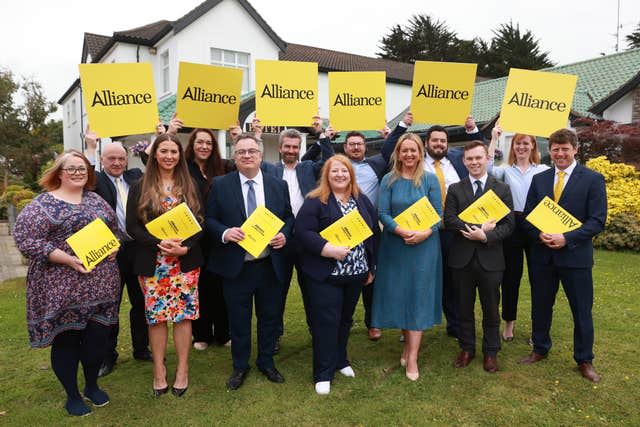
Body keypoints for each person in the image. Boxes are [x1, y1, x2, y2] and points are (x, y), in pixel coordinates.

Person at [13, 150, 120, 416]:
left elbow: (113, 229)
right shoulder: (42, 205)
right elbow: (26, 239)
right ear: (59, 172)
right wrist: (66, 258)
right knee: (68, 342)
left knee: (97, 341)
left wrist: (114, 245)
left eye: (82, 169)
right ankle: (72, 394)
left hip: (102, 286)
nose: (77, 173)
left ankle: (92, 385)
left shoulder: (96, 200)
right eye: (71, 169)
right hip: (62, 289)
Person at [205, 133, 294, 391]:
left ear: (260, 155)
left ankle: (266, 361)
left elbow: (288, 217)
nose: (246, 156)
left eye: (251, 151)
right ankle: (240, 366)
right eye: (241, 151)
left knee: (269, 318)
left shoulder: (278, 185)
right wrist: (225, 232)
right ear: (235, 156)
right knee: (239, 320)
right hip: (237, 267)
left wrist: (284, 235)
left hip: (269, 265)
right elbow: (209, 219)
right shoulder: (220, 184)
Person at [520, 128, 607, 383]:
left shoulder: (592, 179)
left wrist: (566, 238)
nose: (559, 154)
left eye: (565, 149)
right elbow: (527, 216)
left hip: (576, 257)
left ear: (575, 149)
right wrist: (539, 235)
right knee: (541, 305)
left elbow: (597, 221)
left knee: (581, 310)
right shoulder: (540, 179)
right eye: (555, 149)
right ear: (551, 151)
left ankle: (584, 359)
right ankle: (540, 348)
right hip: (543, 256)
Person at [126, 133, 204, 397]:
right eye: (164, 151)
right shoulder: (139, 185)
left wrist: (186, 247)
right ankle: (159, 370)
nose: (169, 156)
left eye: (174, 151)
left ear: (180, 155)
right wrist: (158, 243)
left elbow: (201, 222)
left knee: (183, 317)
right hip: (154, 263)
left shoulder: (191, 184)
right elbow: (132, 226)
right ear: (154, 154)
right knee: (156, 319)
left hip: (184, 263)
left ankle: (182, 370)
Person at [295, 154, 379, 394]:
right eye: (335, 171)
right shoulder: (314, 201)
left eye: (344, 171)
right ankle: (323, 372)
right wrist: (326, 248)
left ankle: (340, 360)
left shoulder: (361, 200)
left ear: (350, 175)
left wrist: (371, 267)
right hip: (326, 274)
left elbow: (373, 233)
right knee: (326, 322)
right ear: (327, 176)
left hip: (355, 273)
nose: (340, 175)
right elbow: (303, 231)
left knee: (345, 320)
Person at [258, 118, 336, 350]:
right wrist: (256, 136)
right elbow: (251, 158)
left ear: (299, 149)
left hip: (308, 239)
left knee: (312, 290)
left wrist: (321, 134)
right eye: (287, 147)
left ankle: (317, 331)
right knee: (276, 292)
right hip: (278, 238)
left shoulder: (308, 168)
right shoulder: (269, 169)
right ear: (280, 148)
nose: (291, 150)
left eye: (295, 147)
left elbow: (331, 161)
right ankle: (274, 336)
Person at [337, 112, 414, 341]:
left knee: (371, 275)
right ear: (345, 147)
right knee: (342, 274)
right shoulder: (338, 167)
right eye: (351, 144)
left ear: (364, 147)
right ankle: (343, 322)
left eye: (360, 144)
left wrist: (400, 127)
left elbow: (389, 150)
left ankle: (373, 323)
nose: (356, 147)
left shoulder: (374, 165)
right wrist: (322, 136)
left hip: (370, 229)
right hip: (342, 227)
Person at [372, 133, 443, 381]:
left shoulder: (430, 180)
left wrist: (424, 233)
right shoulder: (388, 180)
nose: (409, 155)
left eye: (414, 150)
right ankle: (407, 346)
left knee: (418, 296)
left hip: (424, 248)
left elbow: (438, 216)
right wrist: (401, 231)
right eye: (405, 150)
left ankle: (412, 356)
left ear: (420, 153)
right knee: (402, 295)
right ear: (398, 153)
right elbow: (382, 213)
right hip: (396, 246)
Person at [84, 127, 152, 378]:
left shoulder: (135, 176)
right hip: (109, 252)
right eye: (111, 158)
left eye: (121, 158)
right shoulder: (97, 181)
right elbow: (85, 176)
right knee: (109, 305)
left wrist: (157, 138)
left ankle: (141, 348)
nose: (116, 162)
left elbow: (154, 165)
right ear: (103, 160)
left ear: (127, 160)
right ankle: (108, 355)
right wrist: (91, 147)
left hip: (137, 248)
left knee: (140, 301)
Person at [444, 140, 514, 373]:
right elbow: (450, 219)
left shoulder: (501, 189)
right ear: (464, 161)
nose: (474, 162)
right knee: (463, 307)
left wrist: (485, 237)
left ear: (486, 158)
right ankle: (467, 348)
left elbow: (508, 225)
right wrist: (477, 228)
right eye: (469, 159)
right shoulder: (455, 188)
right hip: (461, 259)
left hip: (491, 258)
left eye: (478, 158)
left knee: (491, 307)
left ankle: (491, 352)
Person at [422, 117, 486, 340]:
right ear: (427, 143)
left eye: (443, 140)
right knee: (423, 277)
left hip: (453, 231)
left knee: (453, 279)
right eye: (435, 140)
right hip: (424, 231)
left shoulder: (458, 160)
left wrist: (472, 129)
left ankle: (455, 325)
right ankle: (413, 325)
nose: (439, 144)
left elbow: (479, 152)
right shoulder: (416, 162)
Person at [487, 126, 550, 341]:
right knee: (511, 278)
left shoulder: (542, 170)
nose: (522, 147)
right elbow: (486, 168)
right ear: (513, 146)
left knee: (539, 279)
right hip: (511, 225)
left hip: (535, 225)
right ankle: (509, 324)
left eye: (526, 143)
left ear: (532, 146)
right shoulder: (504, 169)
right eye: (518, 143)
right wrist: (494, 139)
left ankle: (537, 328)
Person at [176, 124, 234, 351]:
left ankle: (223, 332)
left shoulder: (221, 167)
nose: (204, 146)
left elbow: (246, 161)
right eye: (200, 142)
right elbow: (147, 156)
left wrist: (243, 136)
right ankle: (201, 335)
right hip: (193, 235)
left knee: (219, 285)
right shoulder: (183, 168)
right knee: (198, 286)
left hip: (217, 232)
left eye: (209, 143)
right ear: (192, 145)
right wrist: (169, 132)